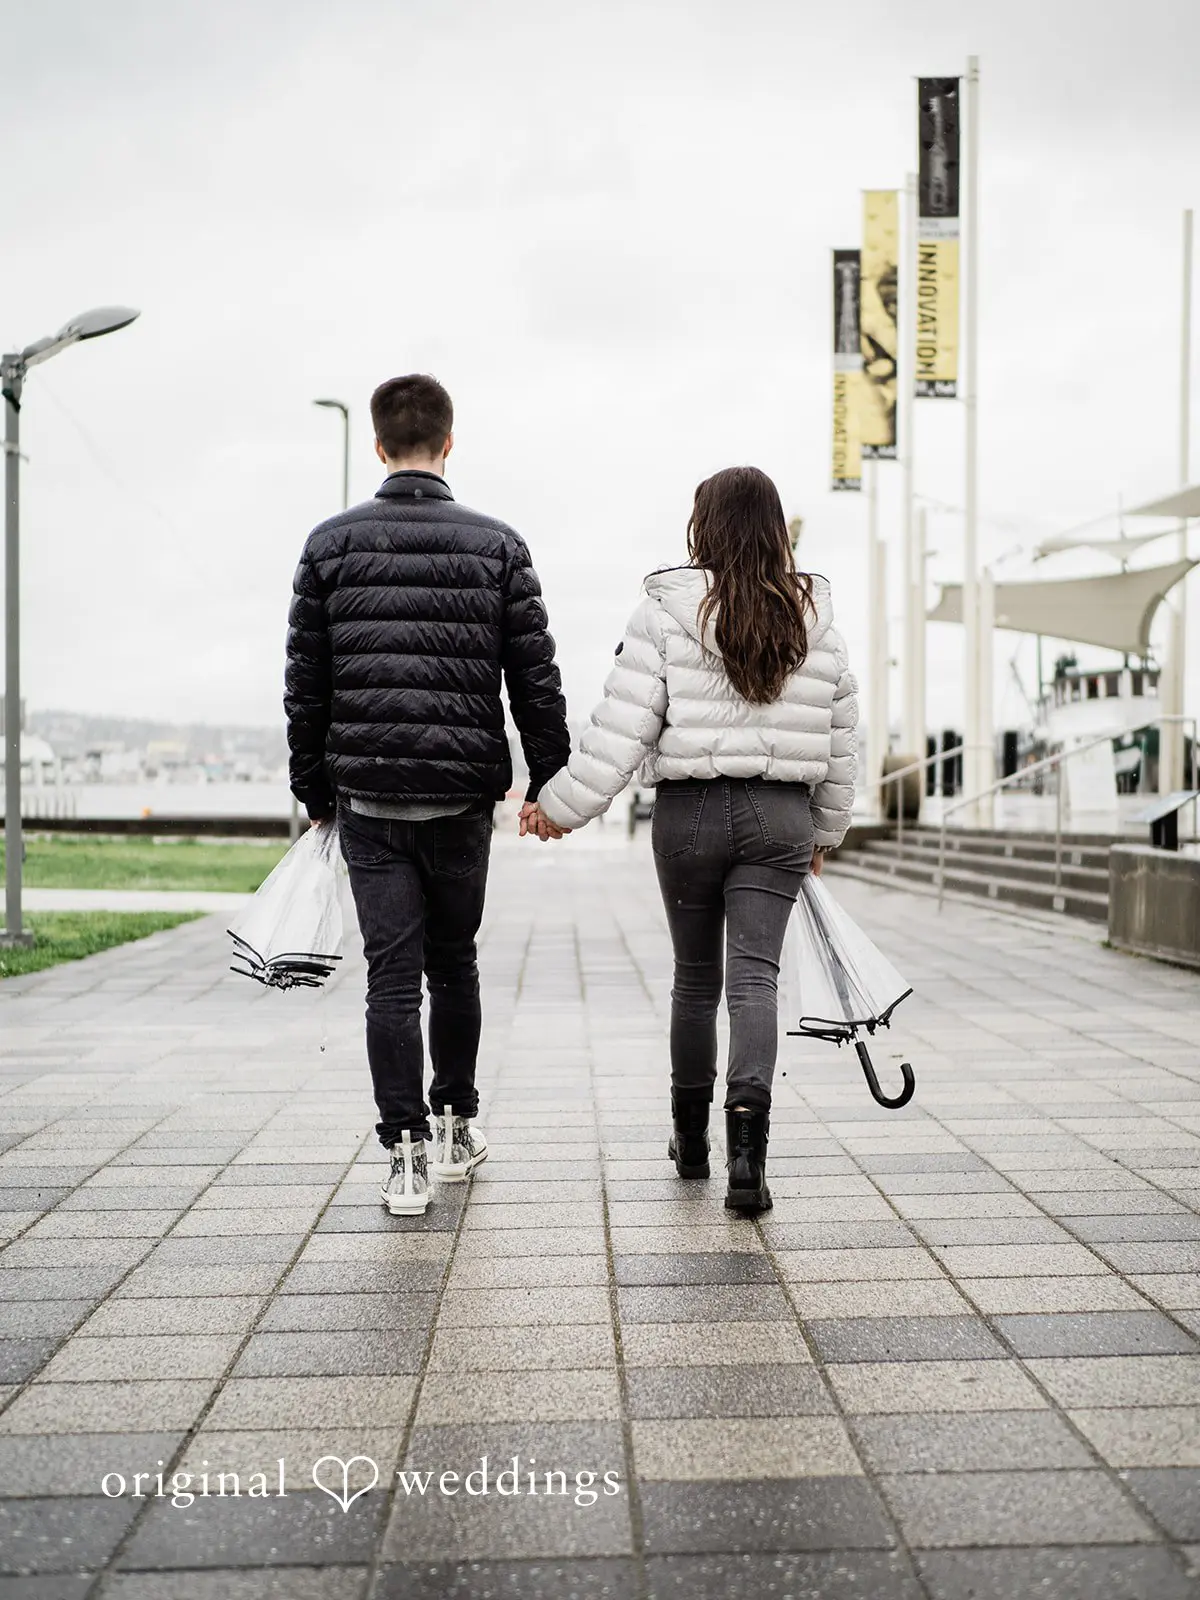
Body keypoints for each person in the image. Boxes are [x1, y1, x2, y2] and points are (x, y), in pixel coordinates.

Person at [532, 466, 858, 1213]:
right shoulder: (818, 622)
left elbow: (623, 728)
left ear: (702, 526)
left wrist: (558, 807)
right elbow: (842, 743)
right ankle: (749, 1159)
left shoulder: (664, 614)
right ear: (776, 530)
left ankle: (691, 1144)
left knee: (695, 980)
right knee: (755, 981)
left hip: (690, 816)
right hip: (780, 817)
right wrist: (826, 832)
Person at [285, 374, 570, 1216]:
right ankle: (454, 1128)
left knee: (390, 980)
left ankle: (402, 1153)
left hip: (368, 797)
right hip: (457, 799)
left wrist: (314, 790)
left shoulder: (329, 545)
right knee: (455, 965)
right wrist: (546, 783)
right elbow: (536, 680)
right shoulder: (499, 545)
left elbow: (308, 686)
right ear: (449, 444)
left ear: (379, 447)